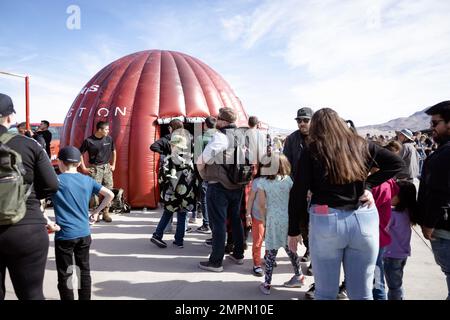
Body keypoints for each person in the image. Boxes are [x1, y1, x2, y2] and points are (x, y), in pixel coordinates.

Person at [288, 108, 403, 300]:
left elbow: (298, 192)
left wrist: (293, 230)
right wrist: (368, 185)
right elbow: (396, 163)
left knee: (325, 293)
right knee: (363, 294)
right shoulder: (361, 144)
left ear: (317, 127)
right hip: (363, 219)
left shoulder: (313, 149)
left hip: (326, 220)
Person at [0, 93, 59, 300]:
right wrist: (30, 195)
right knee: (31, 294)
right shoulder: (29, 144)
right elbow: (52, 184)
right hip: (26, 226)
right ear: (9, 117)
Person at [52, 146, 114, 300]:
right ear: (79, 163)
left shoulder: (55, 181)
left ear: (60, 162)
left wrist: (46, 221)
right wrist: (96, 212)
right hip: (84, 233)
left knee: (66, 273)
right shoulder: (87, 180)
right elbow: (110, 195)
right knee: (84, 271)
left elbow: (36, 200)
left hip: (64, 234)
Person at [197, 107, 245, 272]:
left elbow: (202, 159)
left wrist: (203, 175)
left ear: (223, 121)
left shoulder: (219, 136)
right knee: (236, 219)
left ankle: (216, 262)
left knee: (218, 224)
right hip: (237, 184)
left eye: (218, 118)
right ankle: (238, 254)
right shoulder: (242, 136)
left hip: (218, 185)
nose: (216, 121)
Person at [257, 154, 306, 295]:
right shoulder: (288, 180)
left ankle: (267, 284)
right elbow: (294, 200)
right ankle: (299, 276)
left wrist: (264, 220)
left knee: (271, 252)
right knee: (291, 250)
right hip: (288, 219)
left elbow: (261, 205)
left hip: (273, 219)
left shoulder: (263, 182)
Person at [417, 101, 450, 300]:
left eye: (435, 123)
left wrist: (428, 224)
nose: (431, 128)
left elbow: (440, 194)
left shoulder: (445, 154)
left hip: (444, 229)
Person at [150, 134, 198, 249]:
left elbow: (162, 178)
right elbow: (194, 178)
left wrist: (164, 191)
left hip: (171, 193)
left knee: (167, 213)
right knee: (182, 215)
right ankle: (179, 241)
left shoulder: (169, 159)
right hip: (186, 193)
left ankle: (158, 234)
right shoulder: (190, 160)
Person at [283, 107, 314, 263]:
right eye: (299, 120)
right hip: (296, 189)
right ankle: (309, 249)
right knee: (301, 222)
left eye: (305, 120)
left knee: (314, 224)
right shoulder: (291, 139)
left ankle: (313, 255)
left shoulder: (319, 138)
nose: (302, 123)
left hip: (316, 191)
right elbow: (286, 163)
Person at [384, 180, 418, 300]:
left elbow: (382, 228)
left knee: (393, 286)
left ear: (401, 197)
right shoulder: (408, 212)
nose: (390, 195)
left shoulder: (393, 214)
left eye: (393, 193)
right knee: (397, 284)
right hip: (401, 254)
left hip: (390, 255)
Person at [79, 121, 116, 223]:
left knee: (109, 189)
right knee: (95, 192)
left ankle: (106, 212)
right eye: (106, 129)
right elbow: (80, 154)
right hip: (95, 169)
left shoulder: (109, 139)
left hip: (107, 168)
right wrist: (83, 168)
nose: (108, 131)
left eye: (108, 129)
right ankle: (96, 213)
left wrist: (113, 165)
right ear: (99, 130)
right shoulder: (89, 141)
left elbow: (114, 151)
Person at [194, 116, 217, 234]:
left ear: (205, 125)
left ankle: (206, 223)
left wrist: (199, 174)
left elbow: (197, 158)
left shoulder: (200, 138)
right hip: (218, 173)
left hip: (205, 173)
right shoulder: (221, 137)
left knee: (204, 199)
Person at [245, 165, 264, 277]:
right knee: (258, 241)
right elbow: (251, 199)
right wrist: (248, 215)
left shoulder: (278, 181)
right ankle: (257, 264)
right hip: (257, 217)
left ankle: (268, 257)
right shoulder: (257, 182)